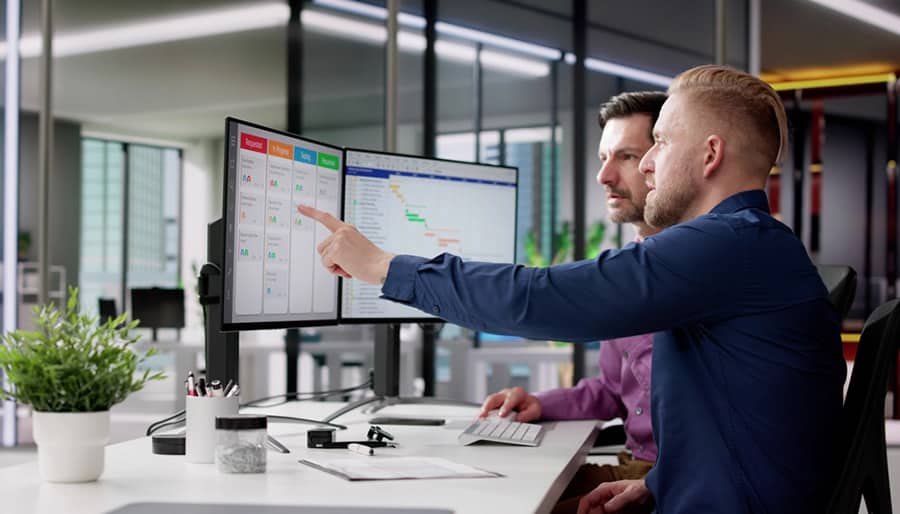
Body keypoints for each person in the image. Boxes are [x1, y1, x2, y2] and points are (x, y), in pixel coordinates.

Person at [299, 64, 845, 513]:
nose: (648, 165)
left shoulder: (726, 246)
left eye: (657, 143)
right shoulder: (749, 245)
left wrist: (383, 267)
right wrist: (656, 484)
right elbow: (736, 422)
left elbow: (541, 298)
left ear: (709, 154)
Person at [477, 91, 666, 514]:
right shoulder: (628, 272)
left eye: (627, 157)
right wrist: (542, 404)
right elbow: (616, 392)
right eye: (603, 157)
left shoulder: (693, 272)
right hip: (632, 466)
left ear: (663, 161)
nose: (603, 175)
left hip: (664, 478)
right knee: (496, 484)